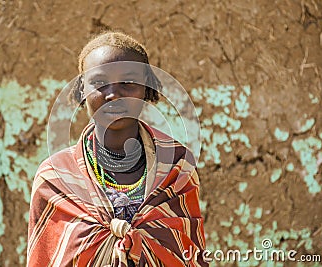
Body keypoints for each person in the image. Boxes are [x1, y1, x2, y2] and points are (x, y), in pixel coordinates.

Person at [27, 31, 208, 267]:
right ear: (82, 89)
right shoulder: (55, 176)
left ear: (146, 87)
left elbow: (188, 254)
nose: (113, 95)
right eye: (99, 83)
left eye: (128, 83)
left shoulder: (177, 165)